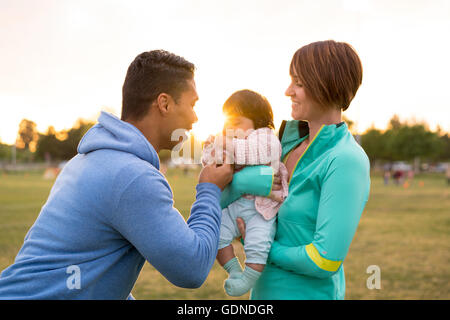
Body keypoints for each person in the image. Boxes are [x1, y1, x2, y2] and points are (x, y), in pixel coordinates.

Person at [0, 50, 233, 299]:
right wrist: (210, 189)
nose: (195, 117)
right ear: (164, 103)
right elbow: (192, 268)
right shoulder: (133, 176)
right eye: (192, 104)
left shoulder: (88, 160)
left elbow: (91, 270)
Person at [220, 40, 371, 299]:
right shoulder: (282, 144)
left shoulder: (346, 159)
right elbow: (222, 192)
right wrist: (243, 182)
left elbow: (324, 260)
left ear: (328, 84)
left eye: (298, 83)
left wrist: (260, 246)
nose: (288, 91)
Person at [201, 90, 289, 296]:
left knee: (258, 245)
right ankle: (233, 271)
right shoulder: (225, 140)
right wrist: (212, 149)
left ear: (258, 122)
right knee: (216, 235)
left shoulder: (266, 138)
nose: (230, 128)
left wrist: (226, 146)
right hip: (233, 205)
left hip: (261, 210)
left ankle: (248, 279)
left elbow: (256, 152)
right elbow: (211, 164)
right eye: (227, 123)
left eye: (237, 122)